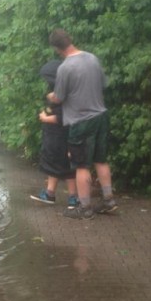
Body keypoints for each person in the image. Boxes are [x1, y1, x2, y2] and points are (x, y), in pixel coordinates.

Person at [46, 28, 116, 220]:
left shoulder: (65, 68)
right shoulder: (92, 58)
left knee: (81, 165)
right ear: (70, 40)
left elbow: (59, 98)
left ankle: (84, 208)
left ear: (56, 48)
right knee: (101, 159)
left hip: (81, 120)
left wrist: (50, 96)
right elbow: (103, 84)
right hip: (101, 116)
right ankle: (109, 200)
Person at [30, 58, 78, 208]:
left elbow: (63, 117)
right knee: (58, 165)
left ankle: (70, 196)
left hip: (60, 136)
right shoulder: (60, 91)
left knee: (62, 166)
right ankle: (52, 193)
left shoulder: (67, 95)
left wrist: (45, 118)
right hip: (55, 137)